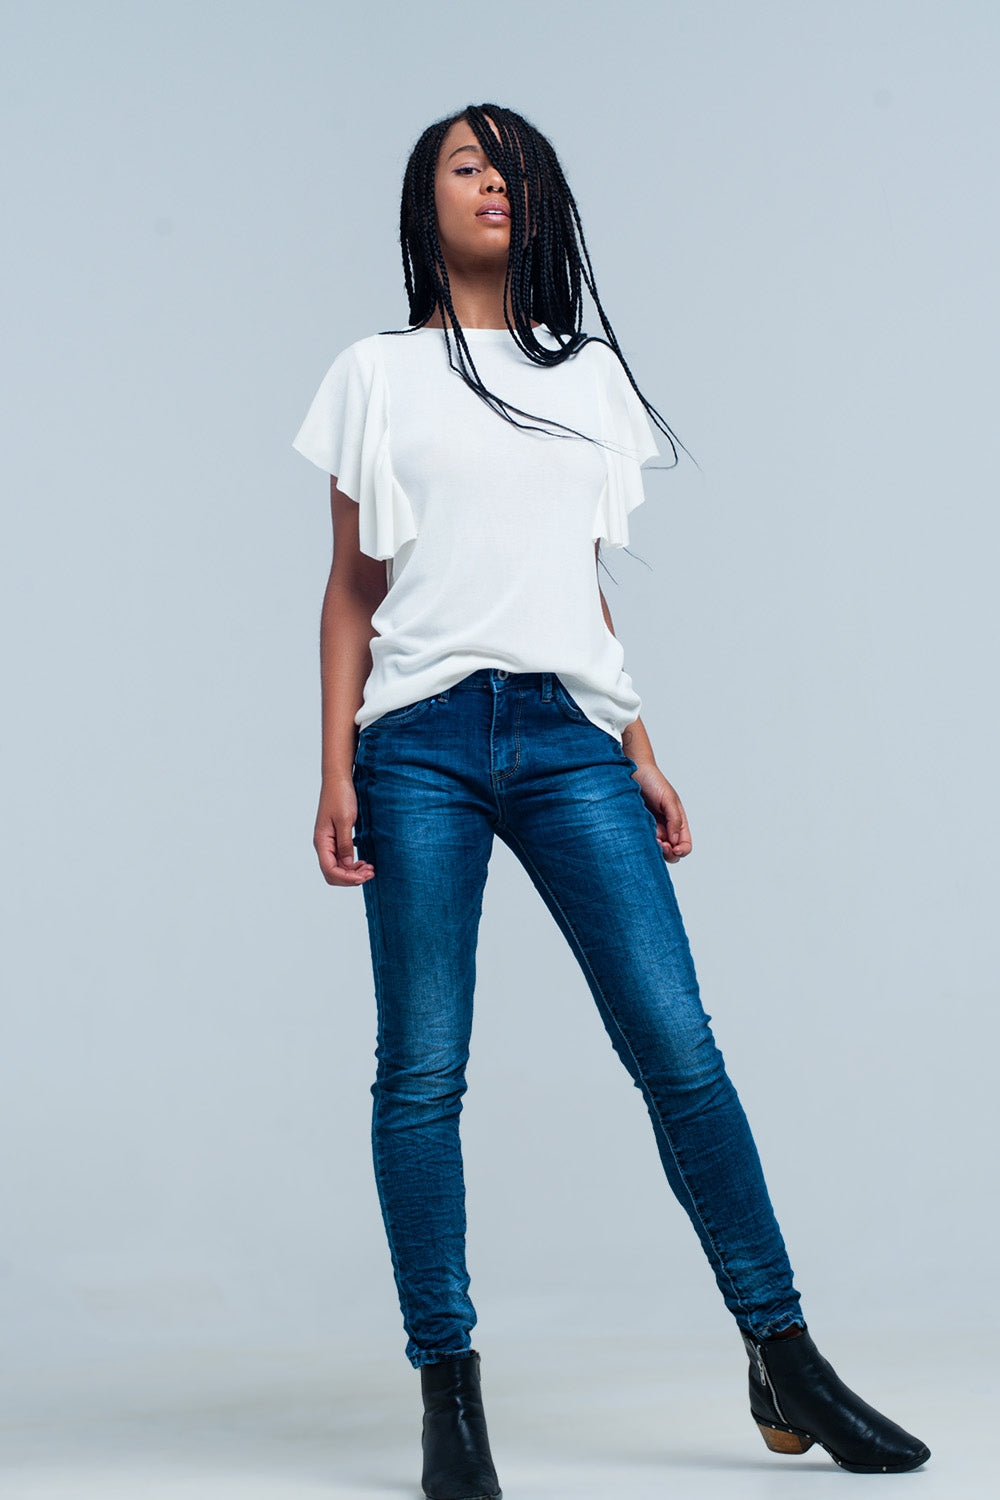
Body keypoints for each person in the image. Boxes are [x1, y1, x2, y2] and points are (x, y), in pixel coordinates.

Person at [292, 103, 929, 1500]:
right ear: (423, 203)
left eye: (512, 166)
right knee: (424, 1069)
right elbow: (352, 588)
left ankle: (785, 1356)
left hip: (569, 734)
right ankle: (449, 1397)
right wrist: (333, 766)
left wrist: (640, 743)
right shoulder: (375, 375)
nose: (493, 183)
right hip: (419, 746)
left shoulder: (584, 376)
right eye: (466, 164)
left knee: (679, 1048)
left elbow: (575, 586)